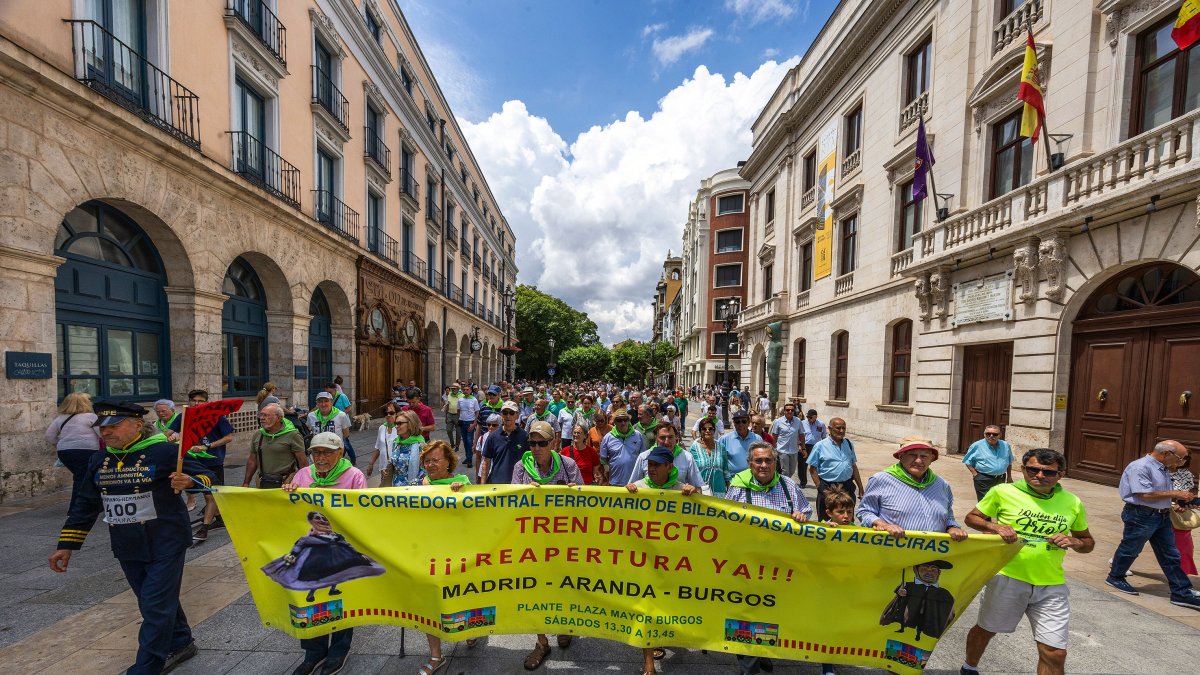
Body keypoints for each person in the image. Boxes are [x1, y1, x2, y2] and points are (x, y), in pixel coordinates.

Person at [49, 400, 213, 675]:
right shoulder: (99, 460)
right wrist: (66, 545)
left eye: (114, 426)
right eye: (102, 428)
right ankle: (182, 641)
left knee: (154, 604)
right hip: (126, 541)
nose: (106, 433)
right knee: (153, 599)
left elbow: (208, 476)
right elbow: (86, 504)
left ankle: (146, 668)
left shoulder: (165, 451)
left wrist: (190, 482)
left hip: (166, 539)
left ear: (138, 424)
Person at [962, 447, 1095, 675]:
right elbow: (972, 518)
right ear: (1022, 469)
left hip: (1051, 584)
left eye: (1048, 472)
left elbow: (1087, 542)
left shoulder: (1072, 502)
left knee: (1055, 651)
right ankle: (969, 666)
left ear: (1060, 475)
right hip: (1007, 578)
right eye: (1033, 469)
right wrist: (995, 526)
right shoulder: (1002, 491)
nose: (1040, 476)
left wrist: (1074, 542)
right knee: (986, 630)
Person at [277, 432, 372, 675]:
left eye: (327, 452)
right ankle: (314, 652)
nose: (321, 457)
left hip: (338, 549)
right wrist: (287, 492)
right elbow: (288, 510)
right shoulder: (303, 475)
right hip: (311, 549)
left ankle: (339, 650)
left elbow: (362, 513)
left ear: (340, 452)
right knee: (310, 601)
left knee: (340, 600)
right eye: (316, 452)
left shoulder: (353, 476)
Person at [724, 441, 811, 675]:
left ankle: (761, 652)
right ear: (750, 464)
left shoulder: (789, 486)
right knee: (745, 614)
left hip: (779, 567)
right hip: (747, 566)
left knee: (771, 612)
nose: (763, 465)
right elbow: (726, 522)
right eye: (758, 461)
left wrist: (801, 515)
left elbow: (807, 511)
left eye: (768, 460)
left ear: (775, 463)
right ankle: (748, 664)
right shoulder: (739, 487)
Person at [511, 419, 581, 670]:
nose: (536, 447)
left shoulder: (568, 465)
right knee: (534, 589)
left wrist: (575, 491)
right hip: (532, 541)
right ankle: (541, 641)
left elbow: (585, 502)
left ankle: (564, 625)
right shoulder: (521, 467)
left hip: (563, 540)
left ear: (553, 443)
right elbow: (511, 504)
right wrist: (522, 492)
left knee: (564, 584)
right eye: (532, 443)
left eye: (542, 442)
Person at [1105, 440, 1200, 609]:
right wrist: (1176, 493)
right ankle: (1115, 577)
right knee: (1131, 549)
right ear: (1166, 454)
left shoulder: (1163, 468)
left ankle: (1181, 592)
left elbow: (1160, 493)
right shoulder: (1140, 467)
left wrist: (1180, 500)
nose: (1180, 462)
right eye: (1179, 458)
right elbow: (1144, 494)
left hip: (1162, 515)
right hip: (1141, 514)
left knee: (1171, 554)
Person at [416, 439, 473, 667]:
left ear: (448, 462)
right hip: (430, 550)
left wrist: (460, 494)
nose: (430, 465)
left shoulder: (463, 482)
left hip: (457, 551)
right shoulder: (423, 483)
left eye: (435, 460)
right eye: (427, 461)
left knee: (461, 595)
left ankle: (470, 629)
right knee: (431, 602)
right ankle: (436, 655)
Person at [857, 436, 968, 542]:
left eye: (924, 456)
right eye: (912, 455)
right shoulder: (881, 480)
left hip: (933, 557)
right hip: (894, 553)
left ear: (931, 459)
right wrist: (883, 524)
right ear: (901, 456)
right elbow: (865, 511)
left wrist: (952, 527)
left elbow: (948, 516)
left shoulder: (942, 485)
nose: (918, 461)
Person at [187, 389, 234, 543]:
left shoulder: (217, 417)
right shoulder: (187, 417)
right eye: (193, 400)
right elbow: (174, 432)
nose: (196, 403)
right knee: (205, 493)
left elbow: (228, 438)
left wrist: (207, 447)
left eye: (200, 401)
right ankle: (219, 518)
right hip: (194, 462)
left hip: (213, 461)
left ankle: (204, 529)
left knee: (211, 494)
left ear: (206, 402)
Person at [44, 391, 101, 496]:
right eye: (89, 400)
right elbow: (101, 434)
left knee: (80, 476)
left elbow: (49, 436)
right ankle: (77, 509)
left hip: (65, 452)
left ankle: (87, 505)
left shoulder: (60, 418)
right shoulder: (91, 417)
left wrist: (64, 443)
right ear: (84, 403)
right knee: (82, 479)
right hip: (87, 451)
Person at [807, 418, 864, 521]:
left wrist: (860, 487)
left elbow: (853, 466)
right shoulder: (820, 446)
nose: (841, 431)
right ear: (830, 429)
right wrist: (820, 487)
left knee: (847, 519)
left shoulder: (849, 444)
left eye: (843, 428)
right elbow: (812, 469)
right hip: (828, 487)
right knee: (826, 520)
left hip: (847, 487)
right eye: (838, 428)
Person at [242, 403, 306, 489]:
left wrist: (304, 483)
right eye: (261, 415)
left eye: (266, 415)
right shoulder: (258, 434)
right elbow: (252, 460)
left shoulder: (293, 435)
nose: (261, 418)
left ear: (278, 418)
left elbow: (302, 462)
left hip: (286, 482)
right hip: (262, 481)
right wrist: (246, 483)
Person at [629, 422, 705, 490]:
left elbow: (698, 487)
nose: (666, 441)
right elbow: (632, 485)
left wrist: (692, 489)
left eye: (670, 437)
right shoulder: (644, 457)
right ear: (656, 438)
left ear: (676, 438)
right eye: (662, 438)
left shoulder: (687, 457)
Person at [480, 401, 527, 485]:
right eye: (505, 412)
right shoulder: (493, 436)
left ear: (517, 415)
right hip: (496, 485)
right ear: (501, 414)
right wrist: (482, 486)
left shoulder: (525, 436)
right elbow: (486, 462)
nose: (508, 416)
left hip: (518, 484)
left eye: (511, 413)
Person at [962, 425, 1014, 500]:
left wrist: (1009, 477)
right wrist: (976, 475)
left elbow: (1009, 462)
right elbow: (967, 461)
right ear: (984, 434)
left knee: (999, 500)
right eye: (988, 434)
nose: (991, 436)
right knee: (985, 502)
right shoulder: (977, 445)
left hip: (1001, 479)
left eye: (995, 434)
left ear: (1000, 435)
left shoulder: (1005, 445)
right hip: (984, 479)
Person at [598, 409, 646, 487]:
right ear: (615, 422)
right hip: (615, 482)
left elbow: (643, 457)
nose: (623, 423)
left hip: (635, 483)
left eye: (625, 419)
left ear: (629, 420)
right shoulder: (608, 437)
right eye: (619, 420)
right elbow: (603, 459)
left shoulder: (638, 435)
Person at [1170, 453, 1199, 576]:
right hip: (1155, 512)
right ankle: (1119, 563)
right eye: (1179, 457)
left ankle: (1182, 575)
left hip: (1178, 515)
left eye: (1185, 458)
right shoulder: (1159, 471)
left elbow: (1187, 494)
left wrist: (1187, 503)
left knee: (1185, 545)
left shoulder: (1187, 474)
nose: (1181, 461)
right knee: (1137, 542)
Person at [717, 410, 762, 486]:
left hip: (753, 481)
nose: (741, 424)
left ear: (748, 422)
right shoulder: (724, 439)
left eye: (744, 421)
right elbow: (719, 461)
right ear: (734, 423)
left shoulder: (757, 439)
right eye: (737, 422)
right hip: (733, 481)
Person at [307, 391, 353, 463]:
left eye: (326, 401)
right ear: (317, 403)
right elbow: (310, 429)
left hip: (334, 452)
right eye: (320, 402)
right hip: (317, 452)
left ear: (331, 402)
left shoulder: (341, 415)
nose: (323, 404)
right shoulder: (311, 416)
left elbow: (346, 434)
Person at [385, 410, 425, 487]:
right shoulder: (396, 443)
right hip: (395, 488)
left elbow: (424, 471)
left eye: (399, 423)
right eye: (395, 423)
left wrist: (411, 487)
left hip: (412, 490)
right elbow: (395, 465)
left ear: (410, 424)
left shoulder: (421, 445)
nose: (396, 426)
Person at [687, 417, 725, 495]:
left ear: (714, 431)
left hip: (719, 492)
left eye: (710, 429)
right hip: (700, 492)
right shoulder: (694, 448)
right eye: (704, 429)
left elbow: (726, 471)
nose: (707, 431)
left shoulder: (721, 447)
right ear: (700, 431)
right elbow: (689, 471)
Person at [367, 403, 403, 481]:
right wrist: (371, 463)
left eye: (391, 413)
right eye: (386, 413)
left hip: (398, 467)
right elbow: (378, 447)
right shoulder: (382, 428)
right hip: (384, 468)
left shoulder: (401, 428)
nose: (388, 415)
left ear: (397, 413)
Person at [769, 403, 801, 481]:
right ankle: (785, 486)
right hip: (782, 450)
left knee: (792, 471)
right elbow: (774, 435)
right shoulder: (778, 421)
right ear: (784, 411)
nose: (790, 411)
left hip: (794, 450)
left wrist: (802, 447)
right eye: (787, 410)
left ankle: (784, 482)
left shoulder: (798, 421)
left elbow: (801, 434)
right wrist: (773, 448)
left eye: (792, 410)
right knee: (785, 471)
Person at [799, 409, 827, 489]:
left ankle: (819, 482)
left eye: (811, 417)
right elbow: (799, 435)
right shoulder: (802, 423)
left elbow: (824, 436)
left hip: (816, 446)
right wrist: (799, 445)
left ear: (815, 417)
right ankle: (803, 482)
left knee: (816, 465)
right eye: (808, 417)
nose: (809, 418)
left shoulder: (821, 424)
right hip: (804, 446)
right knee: (802, 465)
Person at [456, 384, 481, 466]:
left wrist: (474, 424)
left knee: (470, 441)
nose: (466, 391)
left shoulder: (474, 400)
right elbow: (458, 411)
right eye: (464, 389)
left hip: (470, 423)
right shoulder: (460, 400)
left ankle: (469, 460)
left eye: (467, 389)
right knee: (465, 442)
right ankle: (467, 457)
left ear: (470, 391)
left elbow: (477, 412)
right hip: (462, 422)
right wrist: (460, 418)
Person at [442, 383, 463, 453]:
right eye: (452, 388)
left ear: (458, 389)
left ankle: (457, 445)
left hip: (458, 415)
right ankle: (452, 443)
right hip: (450, 414)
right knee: (448, 430)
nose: (453, 389)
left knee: (458, 432)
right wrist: (446, 416)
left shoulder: (462, 396)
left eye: (455, 388)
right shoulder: (449, 395)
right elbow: (447, 406)